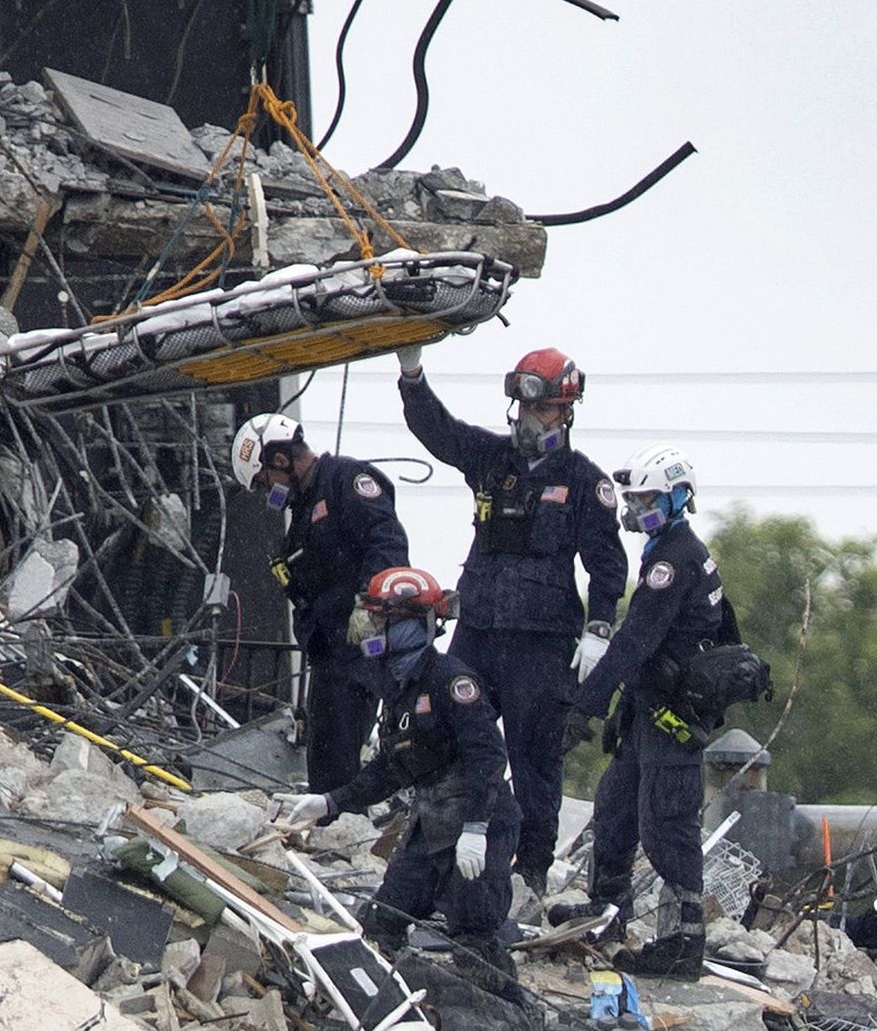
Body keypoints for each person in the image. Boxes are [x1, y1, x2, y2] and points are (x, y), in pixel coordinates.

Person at [395, 344, 626, 894]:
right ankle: (441, 851)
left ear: (565, 411)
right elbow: (439, 432)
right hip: (478, 632)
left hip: (541, 645)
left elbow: (607, 564)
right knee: (451, 736)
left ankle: (531, 872)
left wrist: (600, 627)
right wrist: (412, 374)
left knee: (535, 759)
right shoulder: (492, 461)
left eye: (541, 408)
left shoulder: (584, 483)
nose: (528, 418)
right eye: (522, 408)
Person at [283, 567, 521, 994]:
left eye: (381, 620)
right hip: (430, 824)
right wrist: (331, 802)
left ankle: (512, 1017)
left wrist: (476, 828)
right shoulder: (399, 687)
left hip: (475, 827)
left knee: (474, 938)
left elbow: (489, 757)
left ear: (413, 624)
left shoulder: (453, 682)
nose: (371, 629)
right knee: (382, 924)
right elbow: (389, 769)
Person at [558, 444, 726, 978]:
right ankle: (608, 911)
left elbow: (634, 642)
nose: (636, 509)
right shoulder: (669, 549)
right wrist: (621, 711)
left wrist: (583, 705)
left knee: (666, 825)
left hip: (672, 720)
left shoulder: (674, 558)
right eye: (634, 499)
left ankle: (683, 943)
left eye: (649, 498)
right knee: (615, 806)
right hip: (648, 708)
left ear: (679, 497)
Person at [229, 414, 409, 795]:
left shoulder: (346, 482)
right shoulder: (301, 515)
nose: (269, 493)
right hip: (329, 657)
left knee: (344, 766)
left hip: (359, 652)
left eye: (265, 483)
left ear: (280, 460)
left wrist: (369, 605)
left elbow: (387, 545)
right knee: (324, 765)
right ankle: (331, 828)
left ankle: (345, 830)